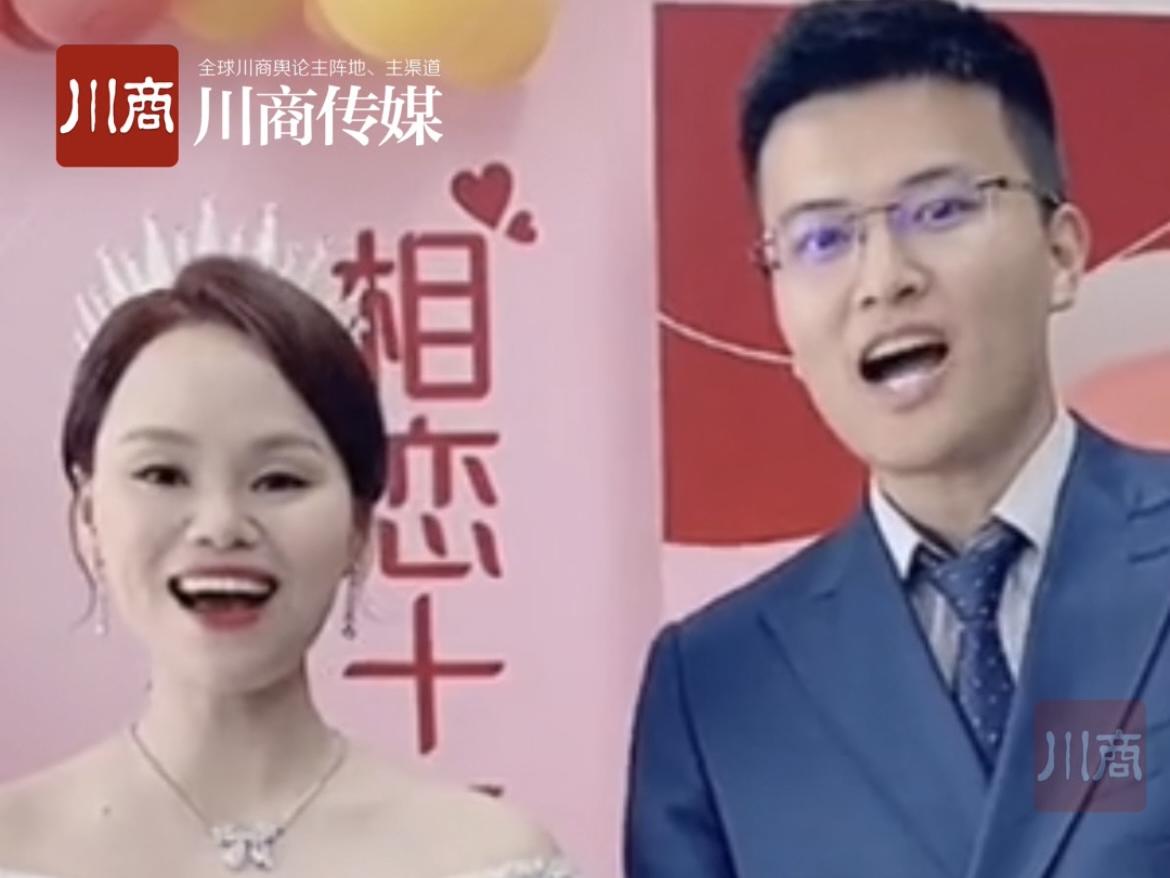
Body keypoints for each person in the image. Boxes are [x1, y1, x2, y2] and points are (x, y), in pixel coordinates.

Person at [625, 1, 1170, 875]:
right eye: (822, 238)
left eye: (941, 210)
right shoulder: (714, 687)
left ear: (1062, 254)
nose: (884, 279)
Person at [0, 255, 573, 878]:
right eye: (163, 474)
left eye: (279, 480)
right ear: (88, 518)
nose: (221, 525)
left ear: (358, 530)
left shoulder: (489, 857)